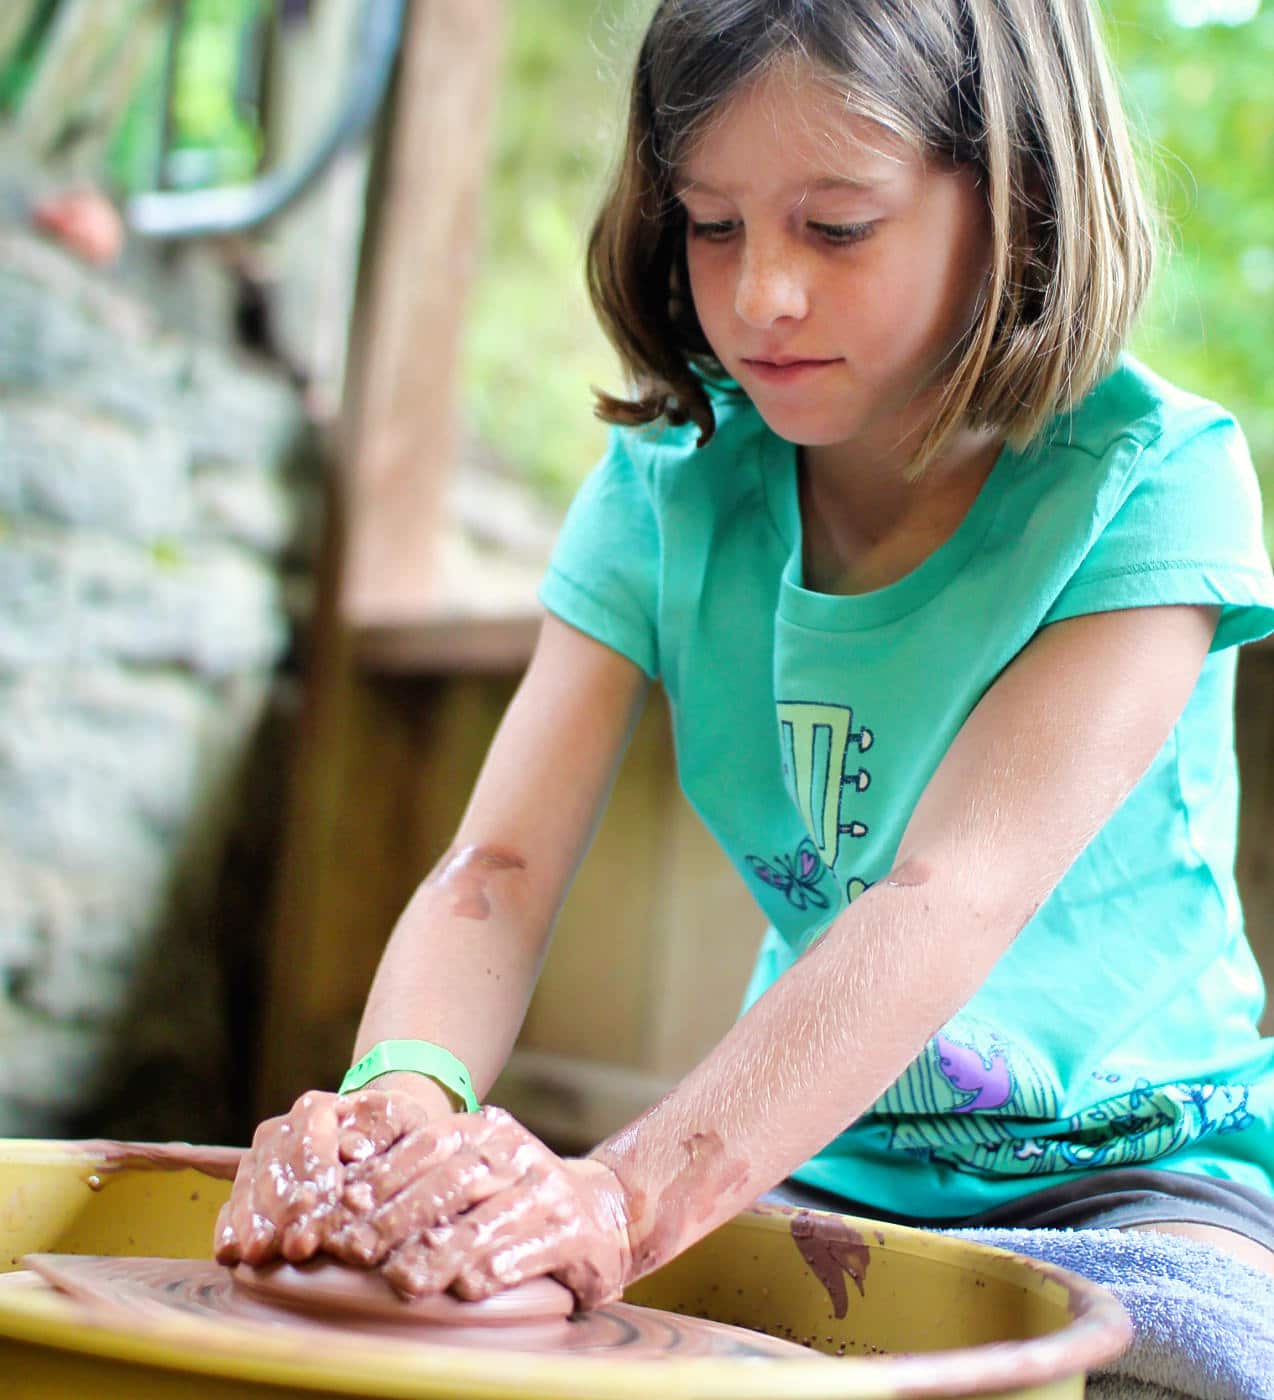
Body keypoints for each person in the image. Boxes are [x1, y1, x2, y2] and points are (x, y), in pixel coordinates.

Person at [215, 0, 1274, 1306]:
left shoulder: (1154, 481)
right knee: (474, 1306)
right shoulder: (667, 481)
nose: (761, 293)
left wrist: (622, 1193)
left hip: (1145, 1172)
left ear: (1020, 202)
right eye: (712, 225)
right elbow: (498, 864)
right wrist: (398, 1111)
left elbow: (949, 894)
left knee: (1167, 1361)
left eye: (836, 227)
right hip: (804, 1150)